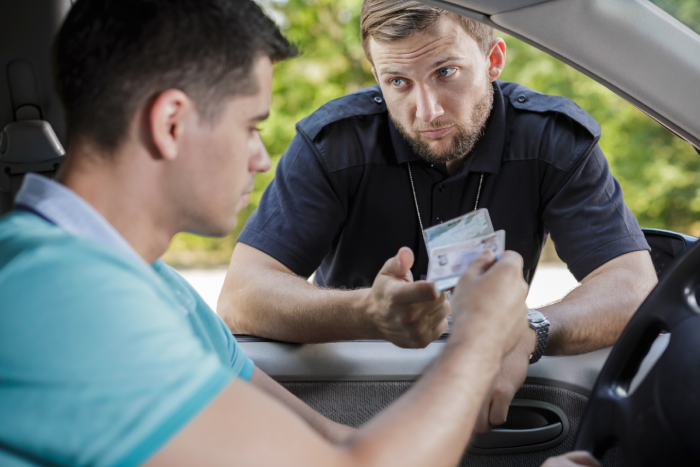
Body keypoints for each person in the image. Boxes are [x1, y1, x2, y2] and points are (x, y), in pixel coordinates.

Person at [0, 0, 598, 466]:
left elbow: (332, 443)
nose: (261, 159)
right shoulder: (59, 294)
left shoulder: (154, 287)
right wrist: (480, 336)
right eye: (250, 125)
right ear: (172, 124)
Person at [218, 0, 658, 432]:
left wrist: (525, 331)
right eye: (398, 82)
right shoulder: (334, 145)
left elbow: (633, 285)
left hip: (489, 398)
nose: (427, 111)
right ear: (376, 76)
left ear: (493, 59)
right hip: (351, 399)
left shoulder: (551, 140)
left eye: (445, 72)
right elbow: (242, 295)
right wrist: (367, 313)